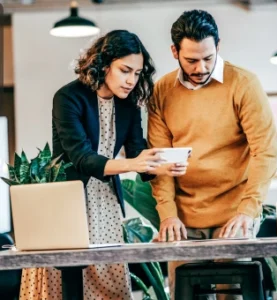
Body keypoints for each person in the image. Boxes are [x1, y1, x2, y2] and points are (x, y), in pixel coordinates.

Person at [19, 30, 187, 300]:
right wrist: (137, 162)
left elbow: (136, 151)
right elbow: (82, 158)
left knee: (109, 288)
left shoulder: (129, 104)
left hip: (106, 203)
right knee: (66, 287)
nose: (132, 80)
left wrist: (163, 165)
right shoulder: (68, 98)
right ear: (104, 63)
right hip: (67, 203)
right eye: (125, 70)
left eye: (137, 73)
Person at [147, 10, 277, 300]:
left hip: (234, 215)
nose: (201, 67)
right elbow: (160, 160)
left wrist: (248, 209)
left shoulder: (244, 83)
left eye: (208, 57)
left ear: (218, 46)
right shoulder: (162, 91)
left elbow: (265, 151)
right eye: (191, 60)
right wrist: (168, 215)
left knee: (229, 296)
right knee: (184, 294)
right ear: (174, 52)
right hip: (183, 218)